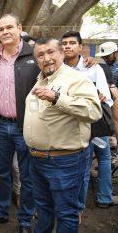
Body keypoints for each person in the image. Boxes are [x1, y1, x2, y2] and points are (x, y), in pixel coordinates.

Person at [24, 37, 102, 232]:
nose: (46, 58)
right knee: (43, 210)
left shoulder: (75, 79)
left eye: (51, 52)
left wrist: (57, 97)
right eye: (41, 55)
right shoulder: (40, 79)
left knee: (66, 213)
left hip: (64, 161)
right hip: (38, 159)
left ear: (61, 53)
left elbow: (94, 111)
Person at [0, 14, 37, 233]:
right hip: (0, 125)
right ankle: (1, 212)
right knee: (1, 172)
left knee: (27, 175)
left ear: (19, 28)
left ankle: (25, 221)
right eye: (1, 29)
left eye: (9, 28)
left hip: (26, 126)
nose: (5, 32)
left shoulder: (33, 55)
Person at [61, 31, 117, 211]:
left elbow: (107, 98)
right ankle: (77, 208)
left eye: (72, 43)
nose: (67, 46)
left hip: (95, 124)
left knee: (104, 157)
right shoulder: (57, 69)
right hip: (71, 126)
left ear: (80, 47)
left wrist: (98, 98)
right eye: (64, 43)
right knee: (83, 167)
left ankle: (104, 197)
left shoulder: (93, 68)